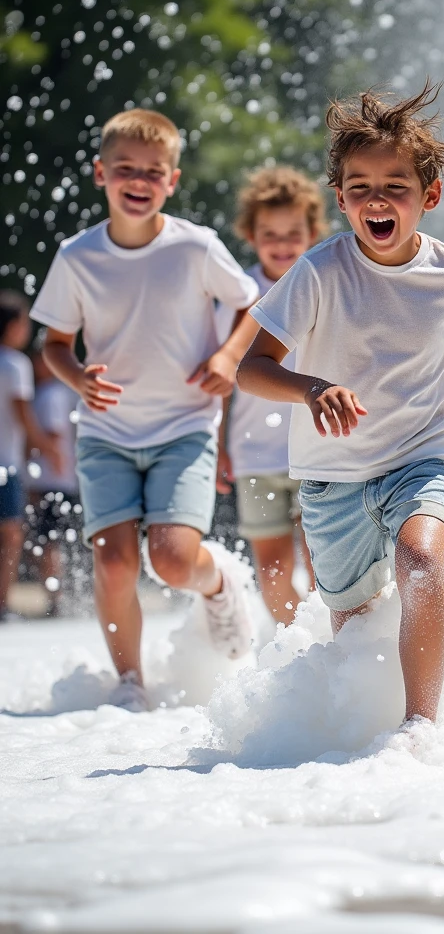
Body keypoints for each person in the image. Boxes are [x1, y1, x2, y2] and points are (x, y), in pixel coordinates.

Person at [237, 82, 444, 727]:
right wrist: (310, 387)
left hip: (427, 452)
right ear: (340, 200)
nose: (376, 200)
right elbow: (252, 368)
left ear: (428, 197)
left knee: (420, 556)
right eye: (360, 188)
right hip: (334, 475)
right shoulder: (320, 271)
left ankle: (422, 727)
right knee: (354, 623)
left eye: (395, 186)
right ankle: (358, 726)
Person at [30, 108, 262, 709]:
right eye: (125, 169)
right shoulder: (78, 257)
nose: (139, 180)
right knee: (112, 563)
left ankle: (220, 582)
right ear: (99, 173)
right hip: (104, 432)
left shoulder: (195, 247)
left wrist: (228, 358)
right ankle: (130, 683)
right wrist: (78, 377)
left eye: (153, 171)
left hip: (184, 427)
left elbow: (249, 305)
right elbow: (52, 345)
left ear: (173, 180)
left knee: (171, 561)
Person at [217, 166, 326, 625]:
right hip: (253, 456)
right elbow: (223, 378)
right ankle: (298, 647)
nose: (282, 244)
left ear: (313, 233)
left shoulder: (324, 281)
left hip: (318, 448)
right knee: (273, 571)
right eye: (270, 234)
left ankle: (334, 649)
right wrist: (219, 445)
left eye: (293, 234)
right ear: (250, 234)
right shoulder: (236, 294)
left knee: (325, 566)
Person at [0, 292, 60, 621]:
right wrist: (49, 449)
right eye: (23, 322)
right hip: (5, 466)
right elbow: (24, 416)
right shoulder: (16, 364)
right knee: (11, 537)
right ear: (11, 327)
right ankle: (3, 605)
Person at [25, 348, 81, 616]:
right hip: (59, 479)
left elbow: (54, 436)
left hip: (52, 480)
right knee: (52, 541)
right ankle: (59, 593)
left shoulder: (51, 394)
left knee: (48, 542)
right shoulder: (57, 392)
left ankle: (56, 598)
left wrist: (28, 452)